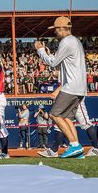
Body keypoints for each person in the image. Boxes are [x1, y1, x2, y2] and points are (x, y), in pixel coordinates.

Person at [35, 17, 87, 159]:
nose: (55, 33)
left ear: (61, 29)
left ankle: (75, 145)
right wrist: (48, 53)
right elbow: (60, 59)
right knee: (67, 118)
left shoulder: (66, 41)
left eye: (56, 30)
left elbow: (52, 63)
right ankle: (78, 150)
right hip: (80, 87)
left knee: (55, 115)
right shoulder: (75, 41)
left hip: (71, 86)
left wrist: (40, 51)